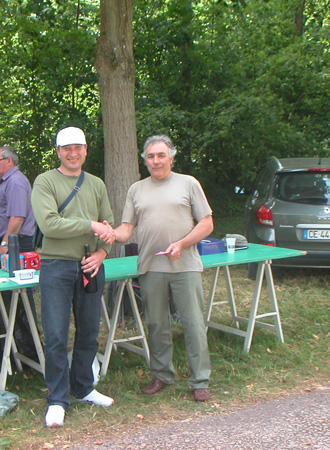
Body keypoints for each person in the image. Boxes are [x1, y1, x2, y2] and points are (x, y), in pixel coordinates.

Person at [108, 135, 213, 402]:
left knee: (193, 323)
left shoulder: (188, 183)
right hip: (150, 266)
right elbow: (127, 228)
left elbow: (207, 224)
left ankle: (200, 379)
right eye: (151, 156)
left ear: (171, 157)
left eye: (161, 155)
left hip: (185, 265)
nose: (156, 160)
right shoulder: (136, 189)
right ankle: (162, 375)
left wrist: (182, 243)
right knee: (156, 324)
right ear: (145, 160)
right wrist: (109, 233)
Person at [31, 126, 115, 428]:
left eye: (78, 147)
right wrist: (91, 225)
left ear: (86, 149)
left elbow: (110, 227)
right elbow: (50, 225)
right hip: (56, 266)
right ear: (57, 152)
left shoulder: (96, 184)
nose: (73, 153)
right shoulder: (44, 182)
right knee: (55, 334)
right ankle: (57, 399)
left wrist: (101, 253)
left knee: (90, 330)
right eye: (66, 148)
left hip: (91, 265)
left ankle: (83, 388)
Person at [0, 145, 38, 363]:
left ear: (9, 161)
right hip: (13, 242)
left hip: (18, 244)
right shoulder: (8, 182)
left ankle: (28, 349)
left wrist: (6, 244)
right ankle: (10, 347)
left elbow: (17, 218)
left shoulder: (16, 182)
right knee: (8, 296)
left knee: (19, 296)